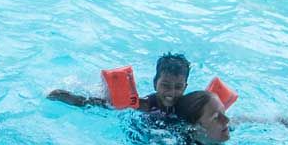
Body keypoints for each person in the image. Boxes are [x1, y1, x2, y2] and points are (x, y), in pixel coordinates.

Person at [48, 52, 191, 113]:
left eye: (178, 87)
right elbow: (103, 104)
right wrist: (68, 97)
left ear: (186, 87)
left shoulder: (189, 106)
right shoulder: (146, 105)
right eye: (165, 85)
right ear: (155, 84)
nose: (171, 92)